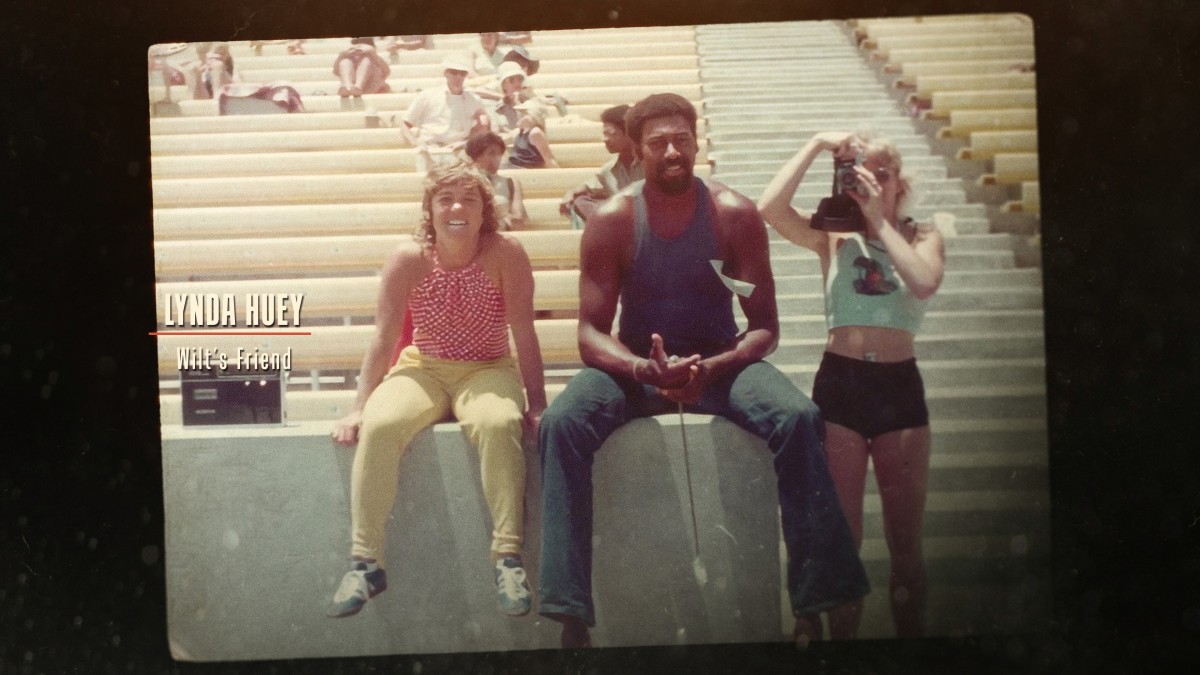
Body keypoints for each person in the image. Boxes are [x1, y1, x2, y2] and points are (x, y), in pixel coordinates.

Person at [537, 93, 869, 648]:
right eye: (659, 142)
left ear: (696, 142)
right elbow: (590, 333)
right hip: (639, 366)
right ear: (637, 151)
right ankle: (571, 616)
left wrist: (715, 367)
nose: (673, 151)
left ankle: (815, 603)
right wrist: (643, 368)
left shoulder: (733, 214)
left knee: (799, 416)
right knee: (562, 422)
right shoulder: (614, 219)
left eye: (682, 140)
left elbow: (764, 327)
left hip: (720, 361)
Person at [328, 162, 548, 619]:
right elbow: (384, 337)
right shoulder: (408, 257)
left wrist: (539, 404)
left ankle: (507, 558)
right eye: (445, 198)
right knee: (382, 423)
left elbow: (524, 333)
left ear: (485, 211)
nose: (456, 208)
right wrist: (357, 407)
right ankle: (366, 562)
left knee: (498, 421)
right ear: (428, 208)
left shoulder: (506, 253)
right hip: (423, 367)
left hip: (486, 367)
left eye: (469, 199)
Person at [757, 131, 947, 639]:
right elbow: (770, 208)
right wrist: (818, 144)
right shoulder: (833, 235)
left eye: (881, 173)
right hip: (841, 385)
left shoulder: (923, 234)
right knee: (844, 540)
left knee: (905, 543)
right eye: (861, 170)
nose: (869, 180)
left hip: (898, 387)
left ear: (898, 182)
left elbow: (924, 282)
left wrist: (881, 220)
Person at [559, 104, 644, 229]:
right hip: (623, 227)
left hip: (652, 224)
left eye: (610, 133)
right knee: (581, 201)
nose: (604, 139)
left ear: (629, 134)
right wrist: (571, 194)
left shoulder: (650, 163)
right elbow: (590, 186)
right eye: (604, 134)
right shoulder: (609, 169)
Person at [400, 56, 491, 173]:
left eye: (462, 73)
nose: (458, 77)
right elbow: (404, 124)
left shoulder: (473, 99)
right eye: (453, 72)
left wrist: (467, 142)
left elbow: (484, 124)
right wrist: (415, 143)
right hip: (429, 149)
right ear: (446, 74)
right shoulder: (427, 95)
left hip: (458, 151)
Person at [466, 132, 527, 230]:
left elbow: (518, 220)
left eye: (499, 154)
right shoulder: (465, 182)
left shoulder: (511, 182)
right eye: (492, 153)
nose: (497, 158)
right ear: (477, 156)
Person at [504, 101, 558, 169]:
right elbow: (500, 141)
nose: (519, 115)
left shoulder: (535, 133)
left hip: (527, 170)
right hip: (515, 168)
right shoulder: (519, 132)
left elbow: (549, 159)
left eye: (524, 113)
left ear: (534, 116)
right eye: (519, 112)